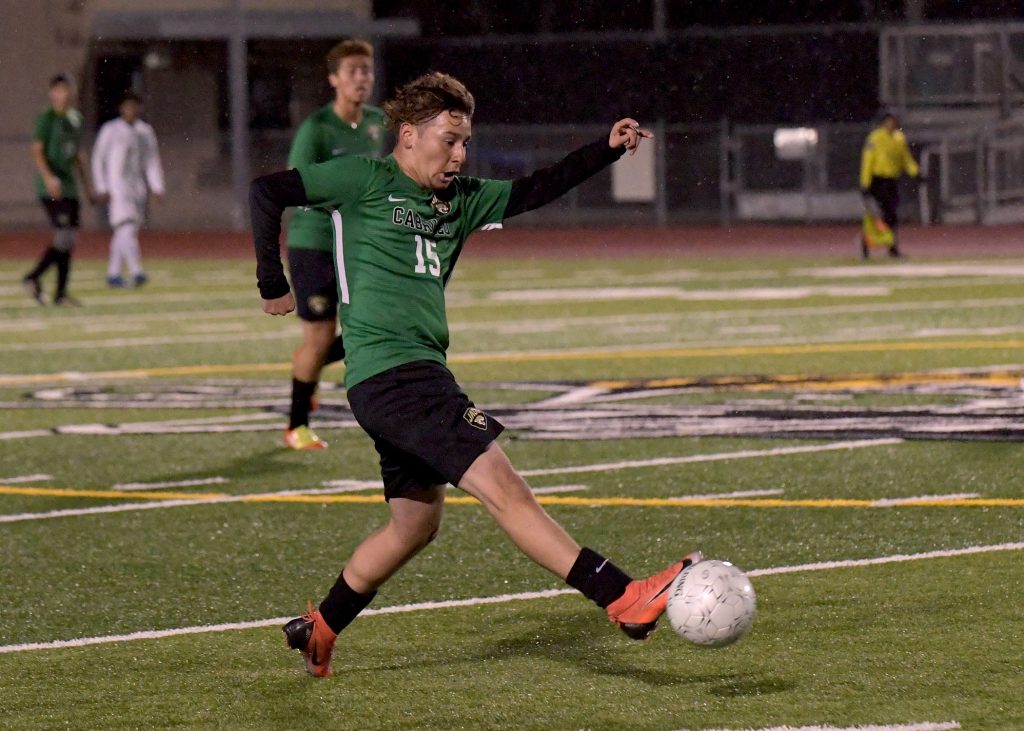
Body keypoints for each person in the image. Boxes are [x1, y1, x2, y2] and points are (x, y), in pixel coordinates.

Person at [250, 72, 701, 678]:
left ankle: (320, 627)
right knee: (504, 488)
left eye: (465, 142)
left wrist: (607, 148)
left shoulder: (460, 199)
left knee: (414, 526)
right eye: (449, 141)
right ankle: (622, 597)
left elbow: (537, 188)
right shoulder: (363, 180)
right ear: (408, 136)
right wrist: (271, 281)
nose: (460, 155)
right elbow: (266, 191)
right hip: (398, 378)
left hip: (401, 378)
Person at [283, 39, 386, 451]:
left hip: (359, 245)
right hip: (315, 244)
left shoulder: (377, 123)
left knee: (374, 322)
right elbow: (294, 183)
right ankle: (297, 425)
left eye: (366, 70)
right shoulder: (318, 128)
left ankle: (306, 367)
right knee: (321, 334)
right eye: (352, 71)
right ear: (333, 79)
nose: (361, 78)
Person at [22, 74, 94, 306]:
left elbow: (77, 156)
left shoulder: (75, 119)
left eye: (67, 90)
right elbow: (37, 151)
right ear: (51, 93)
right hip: (50, 188)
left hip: (70, 188)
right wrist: (48, 178)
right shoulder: (46, 118)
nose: (63, 95)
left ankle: (60, 294)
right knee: (64, 235)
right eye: (59, 90)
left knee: (69, 240)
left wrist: (88, 187)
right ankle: (33, 277)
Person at [91, 91, 165, 288]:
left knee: (125, 231)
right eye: (127, 106)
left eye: (134, 106)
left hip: (137, 187)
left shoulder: (145, 131)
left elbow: (151, 160)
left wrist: (157, 186)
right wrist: (102, 185)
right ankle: (136, 271)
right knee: (126, 227)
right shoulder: (110, 130)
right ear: (121, 109)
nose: (131, 110)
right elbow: (99, 158)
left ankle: (113, 274)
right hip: (117, 188)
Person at [859, 112, 920, 260]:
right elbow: (868, 160)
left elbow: (906, 159)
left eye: (893, 122)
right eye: (889, 122)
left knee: (891, 216)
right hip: (877, 181)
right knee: (875, 216)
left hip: (892, 181)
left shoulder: (899, 138)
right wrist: (865, 183)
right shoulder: (875, 137)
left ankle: (892, 248)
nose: (891, 124)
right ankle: (866, 246)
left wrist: (916, 173)